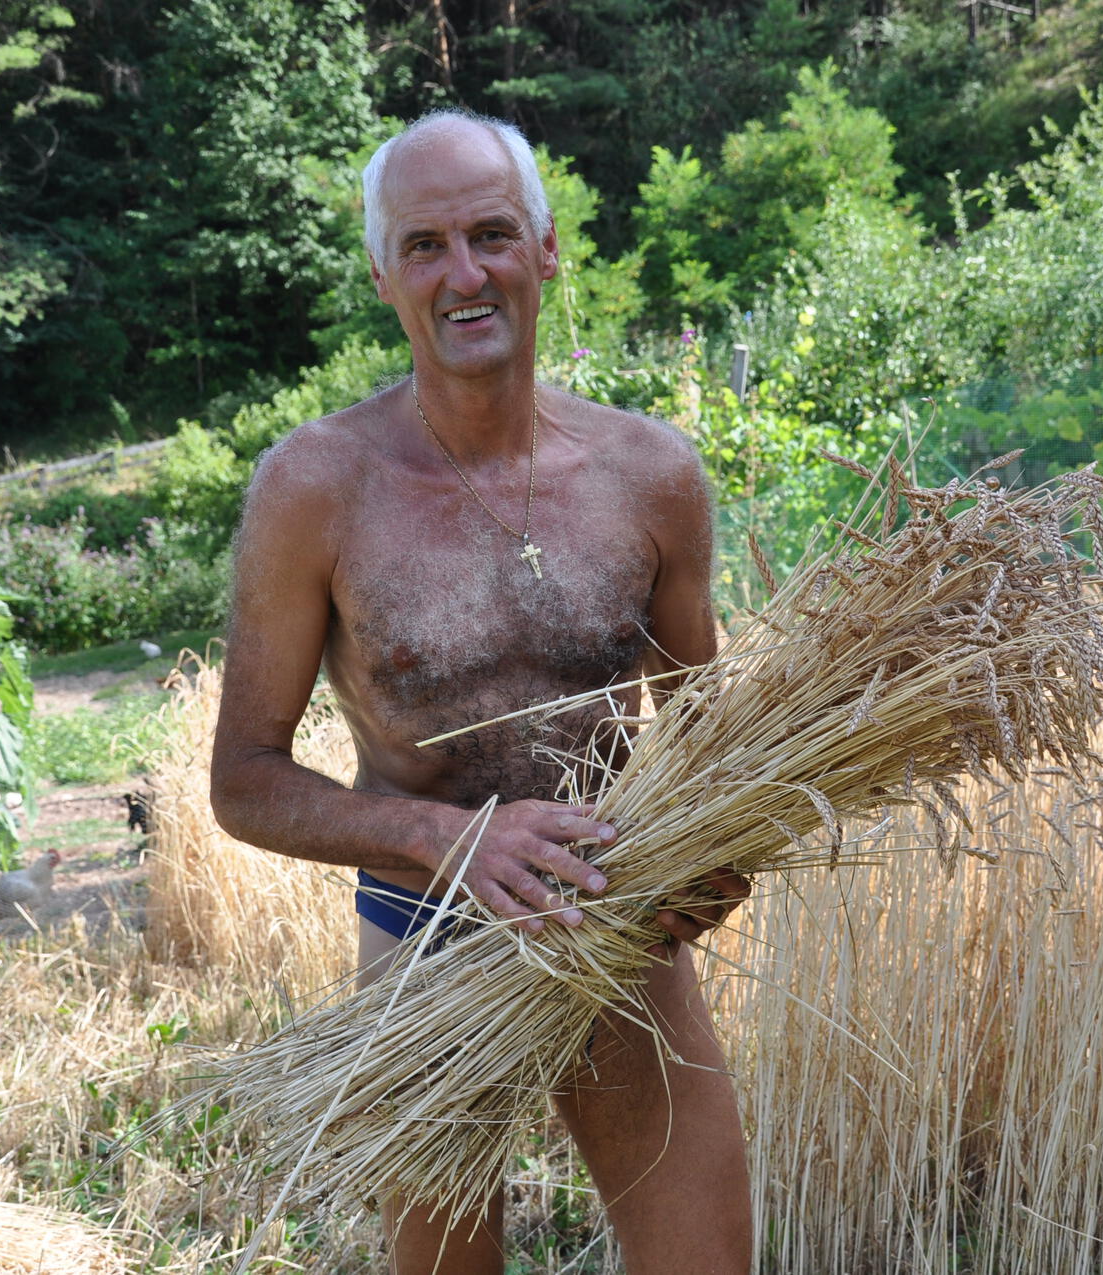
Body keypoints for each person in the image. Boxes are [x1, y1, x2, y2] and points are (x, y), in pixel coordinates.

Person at [209, 108, 753, 1274]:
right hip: (426, 950)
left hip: (614, 927)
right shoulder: (319, 487)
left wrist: (723, 848)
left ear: (547, 249)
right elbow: (242, 782)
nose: (466, 273)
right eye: (425, 245)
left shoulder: (651, 476)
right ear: (382, 272)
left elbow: (708, 723)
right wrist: (447, 840)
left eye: (493, 234)